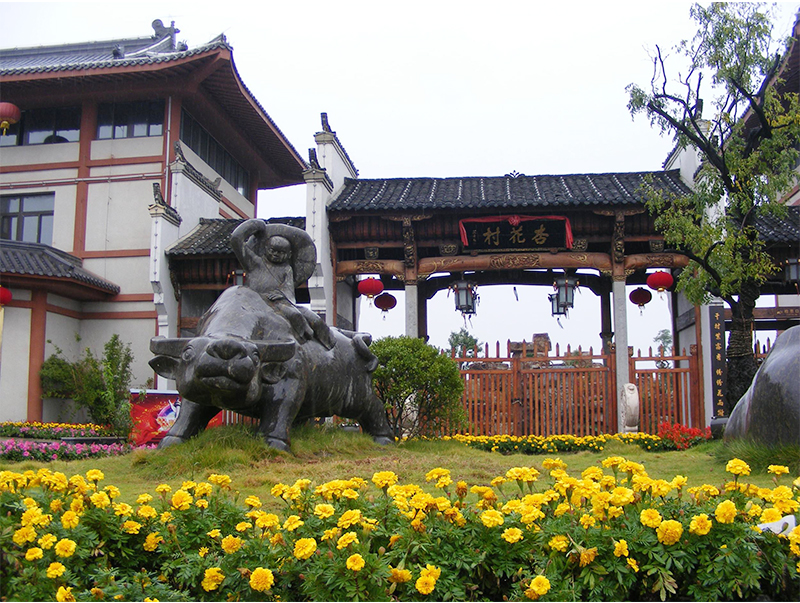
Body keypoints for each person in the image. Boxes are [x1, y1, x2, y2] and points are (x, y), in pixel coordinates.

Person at [231, 221, 335, 349]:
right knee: (295, 315)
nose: (275, 254)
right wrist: (255, 225)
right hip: (255, 300)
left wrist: (281, 295)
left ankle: (326, 342)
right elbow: (236, 239)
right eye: (272, 250)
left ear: (289, 255)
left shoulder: (286, 269)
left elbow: (288, 289)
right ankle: (304, 336)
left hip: (279, 301)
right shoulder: (254, 263)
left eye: (280, 253)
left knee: (303, 316)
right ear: (265, 249)